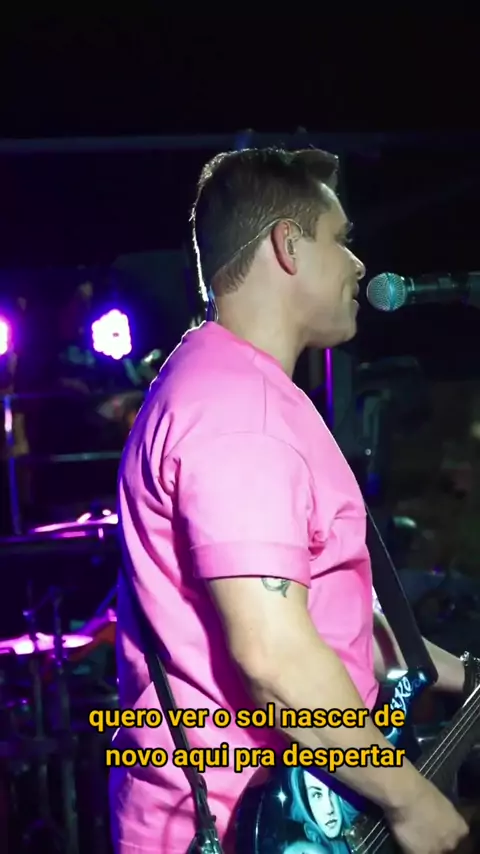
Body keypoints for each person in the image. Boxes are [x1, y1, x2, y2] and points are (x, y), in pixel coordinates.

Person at [111, 147, 473, 854]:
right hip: (238, 824)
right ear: (287, 245)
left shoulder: (234, 386)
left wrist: (464, 678)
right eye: (340, 240)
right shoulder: (239, 411)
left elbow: (321, 623)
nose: (358, 265)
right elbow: (274, 656)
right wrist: (407, 798)